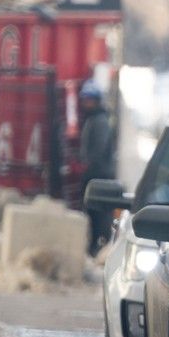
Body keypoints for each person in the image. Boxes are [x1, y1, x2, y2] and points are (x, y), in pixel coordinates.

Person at [78, 80, 115, 255]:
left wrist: (87, 165)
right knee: (93, 213)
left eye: (90, 100)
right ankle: (95, 246)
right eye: (85, 99)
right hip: (94, 174)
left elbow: (98, 151)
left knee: (100, 214)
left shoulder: (100, 121)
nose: (87, 103)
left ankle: (100, 247)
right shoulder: (93, 119)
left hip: (100, 176)